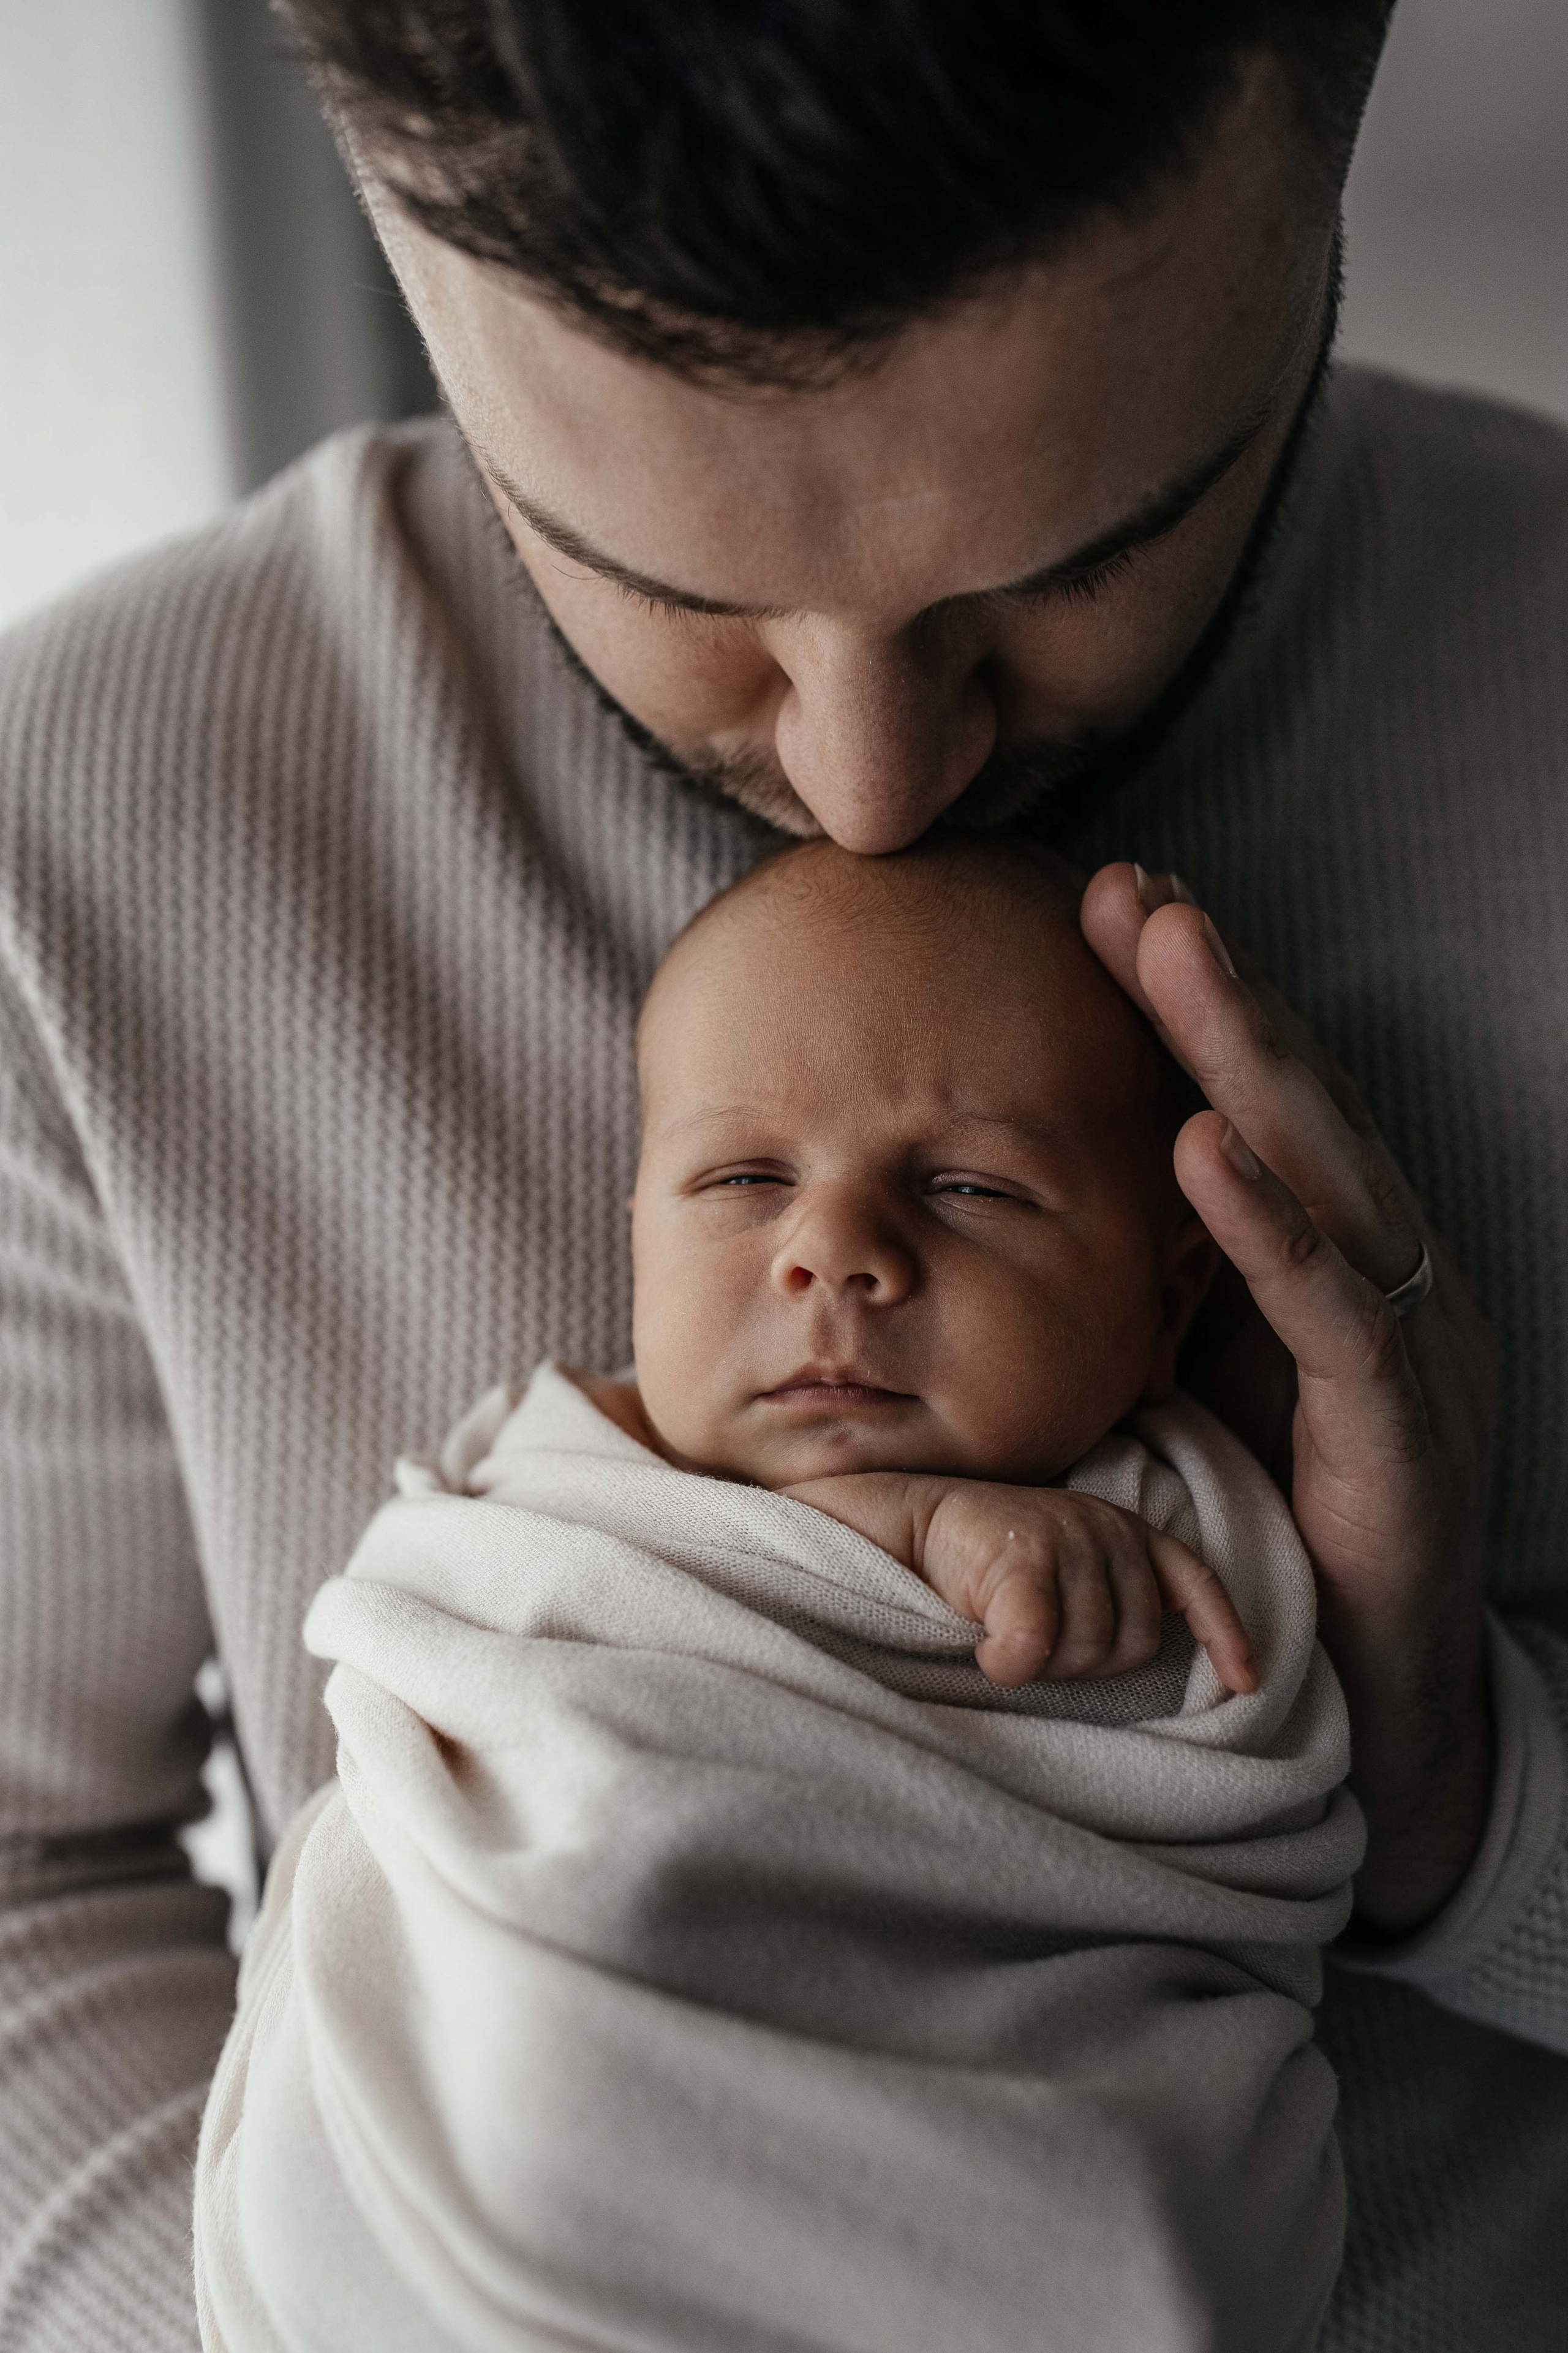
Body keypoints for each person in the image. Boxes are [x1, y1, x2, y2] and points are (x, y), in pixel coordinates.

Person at [0, 2, 1563, 2346]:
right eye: (660, 575)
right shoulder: (86, 838)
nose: (872, 788)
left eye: (1079, 556)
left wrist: (1448, 1790)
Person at [193, 837, 1360, 2352]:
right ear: (635, 1234)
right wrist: (905, 1521)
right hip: (512, 2127)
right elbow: (442, 1672)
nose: (834, 1252)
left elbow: (1234, 1806)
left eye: (968, 1184)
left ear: (1168, 1297)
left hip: (1014, 2200)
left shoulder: (1185, 1532)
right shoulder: (545, 1483)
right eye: (743, 1178)